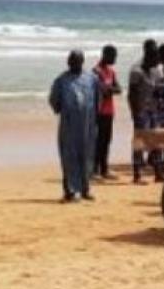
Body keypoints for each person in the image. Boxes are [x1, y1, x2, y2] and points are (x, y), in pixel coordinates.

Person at [49, 51, 99, 203]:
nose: (73, 63)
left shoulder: (92, 79)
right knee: (69, 157)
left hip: (87, 125)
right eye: (71, 60)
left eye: (76, 61)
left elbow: (97, 100)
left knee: (87, 156)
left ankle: (85, 189)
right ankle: (70, 191)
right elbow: (54, 101)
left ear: (82, 62)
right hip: (69, 126)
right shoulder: (61, 80)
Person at [128, 40, 161, 184]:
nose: (158, 61)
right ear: (148, 55)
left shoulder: (155, 71)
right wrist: (135, 114)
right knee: (139, 142)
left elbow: (158, 89)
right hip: (141, 111)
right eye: (156, 57)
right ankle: (137, 174)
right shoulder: (136, 71)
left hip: (153, 110)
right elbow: (132, 94)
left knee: (157, 141)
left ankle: (158, 172)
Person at [92, 45, 121, 180]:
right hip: (99, 111)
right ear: (106, 55)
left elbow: (118, 89)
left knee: (107, 140)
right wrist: (109, 89)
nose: (115, 59)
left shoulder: (111, 72)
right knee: (98, 141)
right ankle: (94, 170)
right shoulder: (96, 71)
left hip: (109, 111)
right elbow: (102, 90)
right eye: (113, 56)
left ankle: (104, 169)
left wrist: (109, 89)